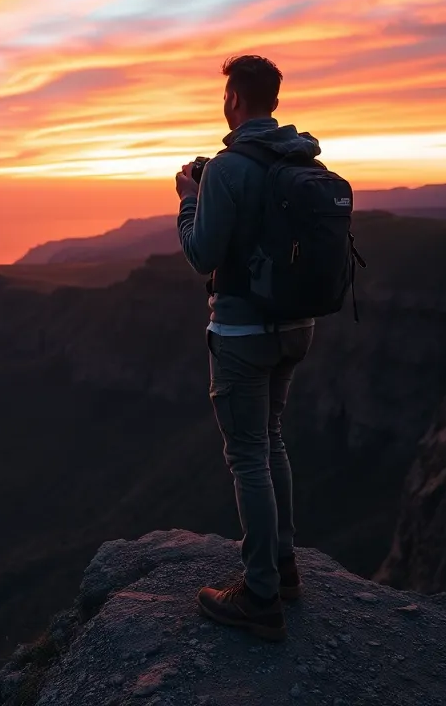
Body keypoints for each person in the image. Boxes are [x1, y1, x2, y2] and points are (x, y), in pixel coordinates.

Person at [175, 54, 321, 642]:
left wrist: (189, 196)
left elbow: (202, 255)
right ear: (276, 102)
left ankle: (259, 595)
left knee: (248, 458)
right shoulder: (301, 157)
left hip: (242, 335)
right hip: (298, 326)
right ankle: (283, 569)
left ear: (233, 99)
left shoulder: (230, 170)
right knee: (274, 439)